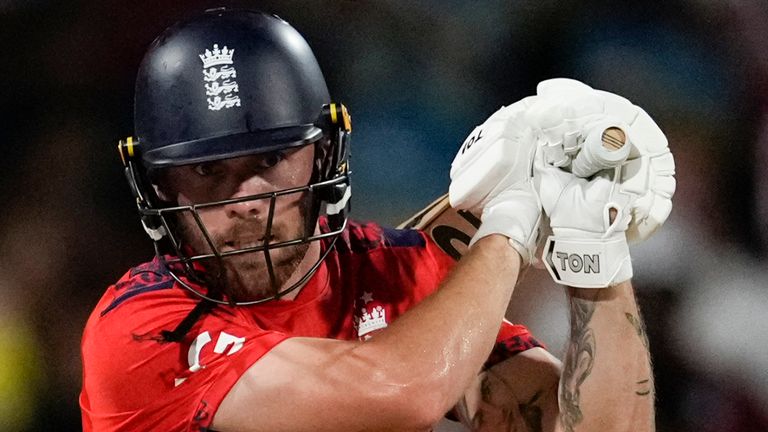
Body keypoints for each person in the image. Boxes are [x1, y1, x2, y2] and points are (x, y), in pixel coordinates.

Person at [80, 8, 672, 432]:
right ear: (160, 184)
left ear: (324, 152)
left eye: (270, 159)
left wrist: (596, 251)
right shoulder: (142, 331)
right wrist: (512, 216)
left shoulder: (400, 272)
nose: (247, 200)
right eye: (209, 172)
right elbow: (403, 390)